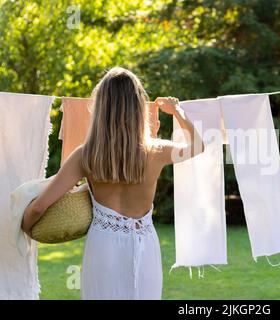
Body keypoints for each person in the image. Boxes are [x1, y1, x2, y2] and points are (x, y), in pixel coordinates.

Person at [21, 67, 204, 299]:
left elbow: (39, 206)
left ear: (101, 107)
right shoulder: (156, 150)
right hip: (145, 243)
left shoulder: (85, 155)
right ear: (138, 107)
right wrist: (177, 111)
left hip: (103, 246)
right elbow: (199, 146)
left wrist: (27, 229)